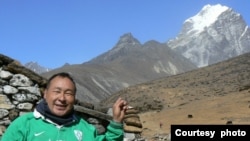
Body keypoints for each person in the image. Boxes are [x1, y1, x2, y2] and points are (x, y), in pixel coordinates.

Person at [1, 72, 128, 141]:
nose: (62, 98)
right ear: (45, 94)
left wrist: (116, 122)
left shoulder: (86, 129)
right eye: (56, 91)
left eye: (68, 93)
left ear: (74, 98)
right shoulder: (23, 125)